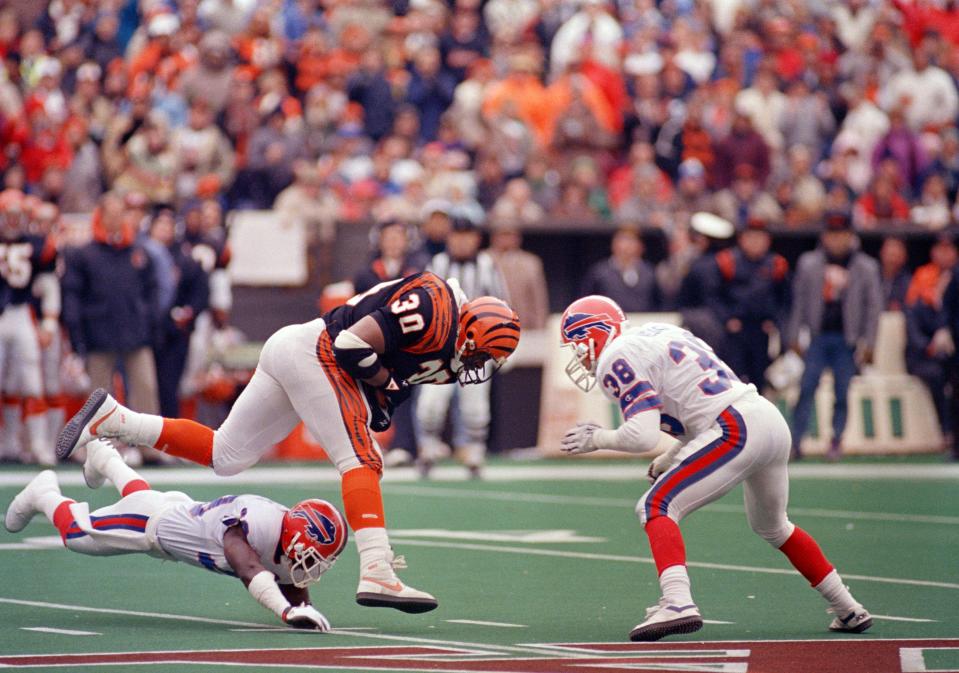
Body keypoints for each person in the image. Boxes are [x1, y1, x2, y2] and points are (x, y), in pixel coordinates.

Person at [56, 271, 520, 614]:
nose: (480, 363)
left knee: (227, 455)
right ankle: (377, 568)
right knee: (361, 458)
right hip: (316, 350)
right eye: (481, 351)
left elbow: (386, 380)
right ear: (469, 329)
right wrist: (385, 385)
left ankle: (116, 420)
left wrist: (383, 395)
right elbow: (353, 347)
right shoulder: (434, 305)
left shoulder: (450, 353)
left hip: (301, 353)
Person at [557, 295, 872, 642]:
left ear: (598, 333)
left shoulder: (616, 356)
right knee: (774, 526)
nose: (579, 355)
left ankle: (677, 602)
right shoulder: (659, 334)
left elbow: (642, 435)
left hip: (735, 427)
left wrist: (597, 438)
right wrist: (671, 456)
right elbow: (699, 408)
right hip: (764, 417)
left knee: (656, 505)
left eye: (578, 344)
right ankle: (847, 607)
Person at [5, 439, 343, 631]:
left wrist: (302, 610)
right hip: (152, 525)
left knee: (142, 495)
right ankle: (45, 493)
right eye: (314, 555)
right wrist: (285, 612)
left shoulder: (285, 537)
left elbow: (290, 582)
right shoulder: (258, 525)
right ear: (298, 537)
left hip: (175, 514)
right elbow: (249, 570)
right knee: (78, 536)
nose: (314, 566)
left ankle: (104, 456)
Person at [416, 218, 511, 478]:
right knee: (431, 404)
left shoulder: (487, 265)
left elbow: (502, 305)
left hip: (476, 347)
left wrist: (499, 344)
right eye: (457, 235)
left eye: (467, 235)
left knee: (475, 406)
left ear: (477, 239)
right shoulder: (437, 264)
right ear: (448, 238)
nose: (462, 241)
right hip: (441, 345)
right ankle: (427, 449)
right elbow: (422, 302)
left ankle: (475, 452)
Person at [785, 212, 882, 461]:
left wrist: (869, 342)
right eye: (831, 235)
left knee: (842, 391)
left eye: (841, 235)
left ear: (850, 236)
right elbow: (798, 302)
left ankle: (836, 440)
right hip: (818, 336)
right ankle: (796, 440)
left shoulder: (865, 267)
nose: (836, 240)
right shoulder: (809, 263)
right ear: (824, 236)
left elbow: (873, 307)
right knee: (806, 388)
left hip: (846, 339)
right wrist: (793, 335)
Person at [0, 189, 59, 465]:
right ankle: (8, 442)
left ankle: (38, 443)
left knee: (32, 380)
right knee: (6, 381)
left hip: (23, 314)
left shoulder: (37, 244)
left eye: (17, 215)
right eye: (8, 214)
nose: (12, 220)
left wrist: (48, 322)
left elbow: (48, 286)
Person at [710, 217, 789, 389]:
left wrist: (774, 320)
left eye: (759, 238)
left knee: (759, 380)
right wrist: (726, 319)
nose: (755, 242)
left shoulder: (777, 264)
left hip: (761, 330)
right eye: (751, 237)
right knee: (732, 380)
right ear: (742, 239)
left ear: (767, 241)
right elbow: (714, 296)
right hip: (734, 331)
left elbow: (784, 298)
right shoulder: (726, 261)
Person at [580, 226, 660, 313]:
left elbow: (659, 301)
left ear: (640, 246)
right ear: (613, 244)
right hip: (609, 321)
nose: (626, 246)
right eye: (622, 240)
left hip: (643, 321)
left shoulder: (650, 272)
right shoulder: (600, 272)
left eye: (631, 241)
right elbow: (587, 300)